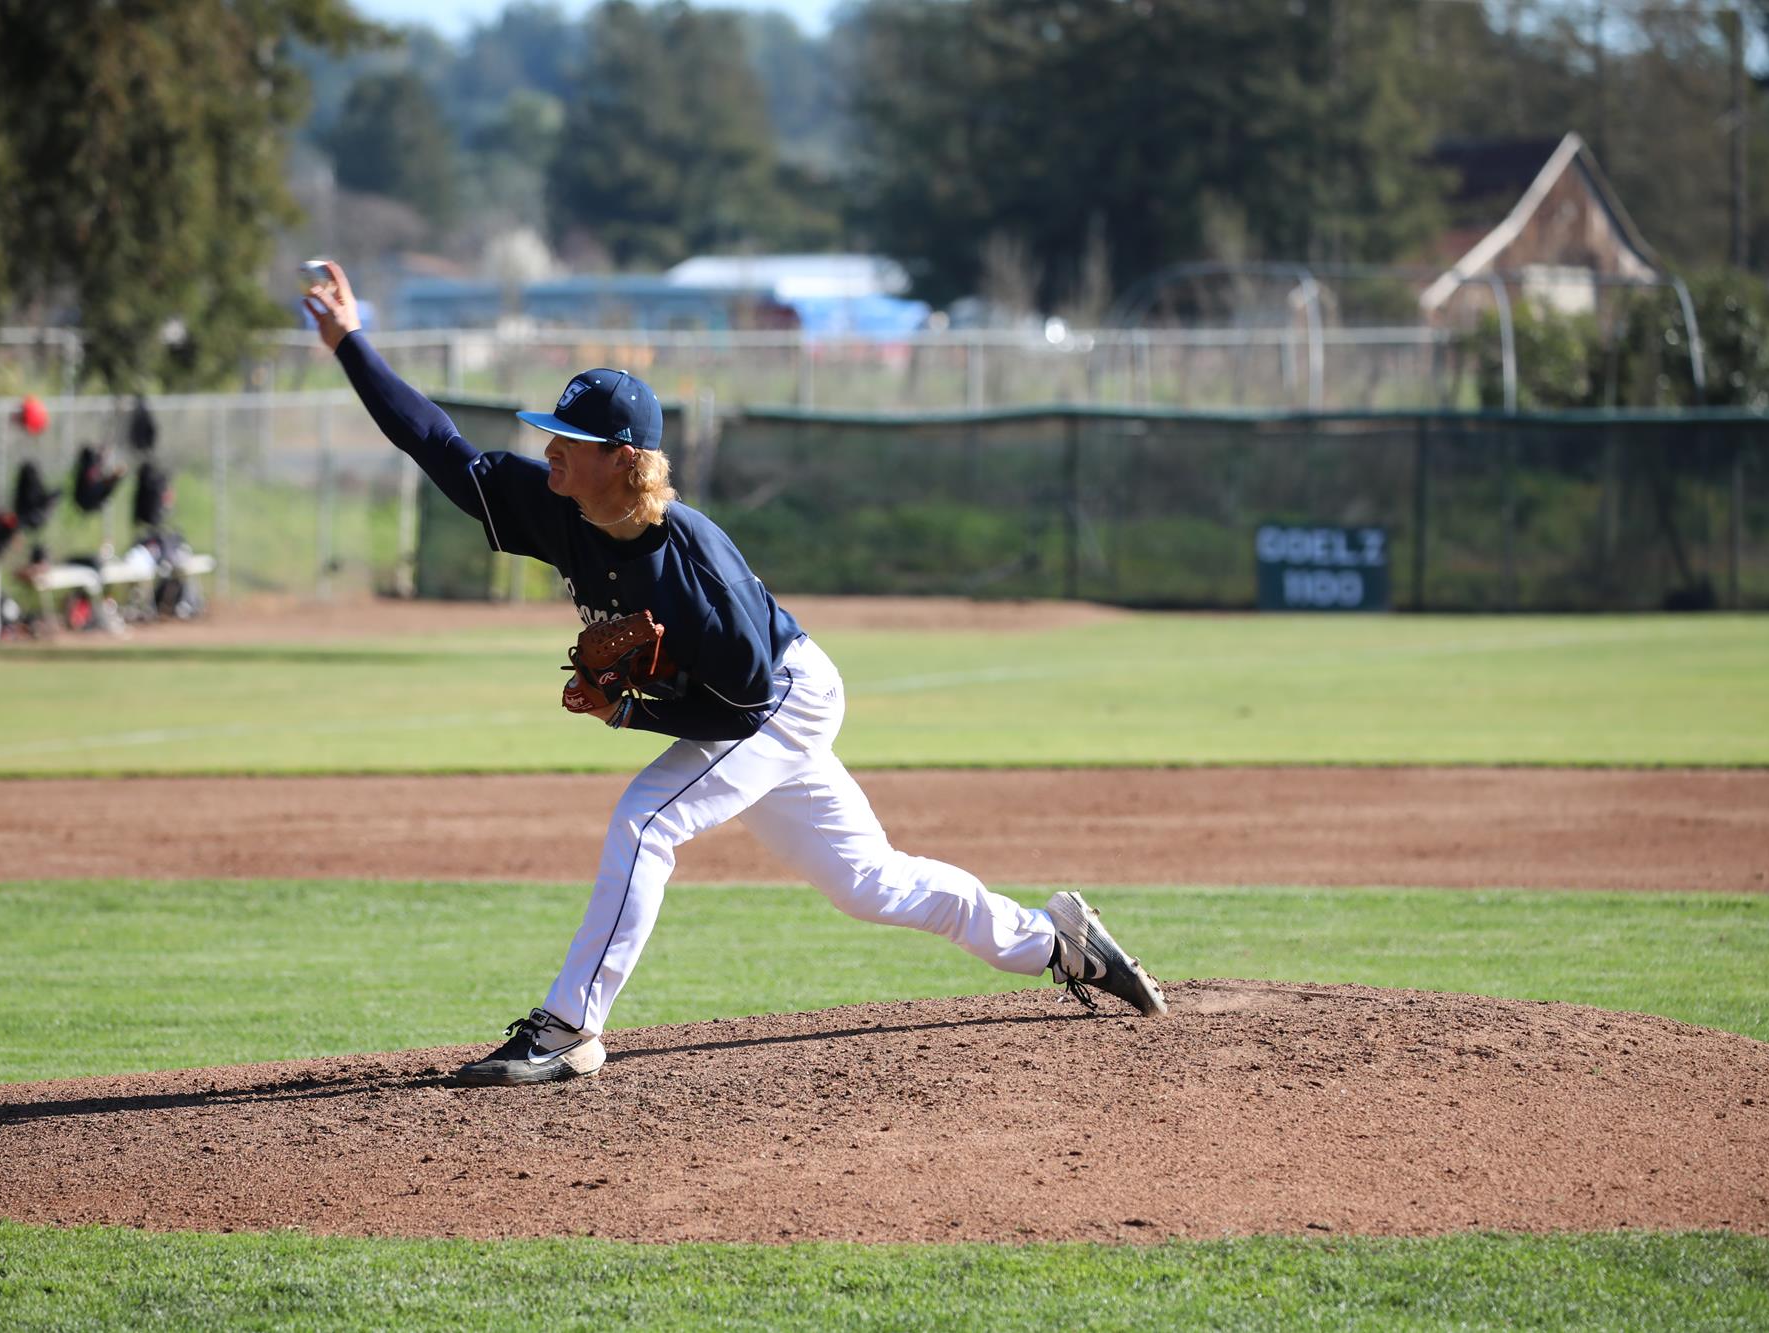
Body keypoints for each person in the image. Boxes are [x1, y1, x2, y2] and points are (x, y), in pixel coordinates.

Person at [304, 261, 1167, 1085]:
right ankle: (1057, 942)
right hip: (744, 702)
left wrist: (628, 713)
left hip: (777, 699)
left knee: (647, 823)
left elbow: (737, 706)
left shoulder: (693, 568)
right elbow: (439, 445)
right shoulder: (555, 505)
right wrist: (352, 343)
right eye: (551, 434)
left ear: (625, 459)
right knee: (868, 882)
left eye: (570, 439)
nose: (549, 448)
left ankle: (569, 1027)